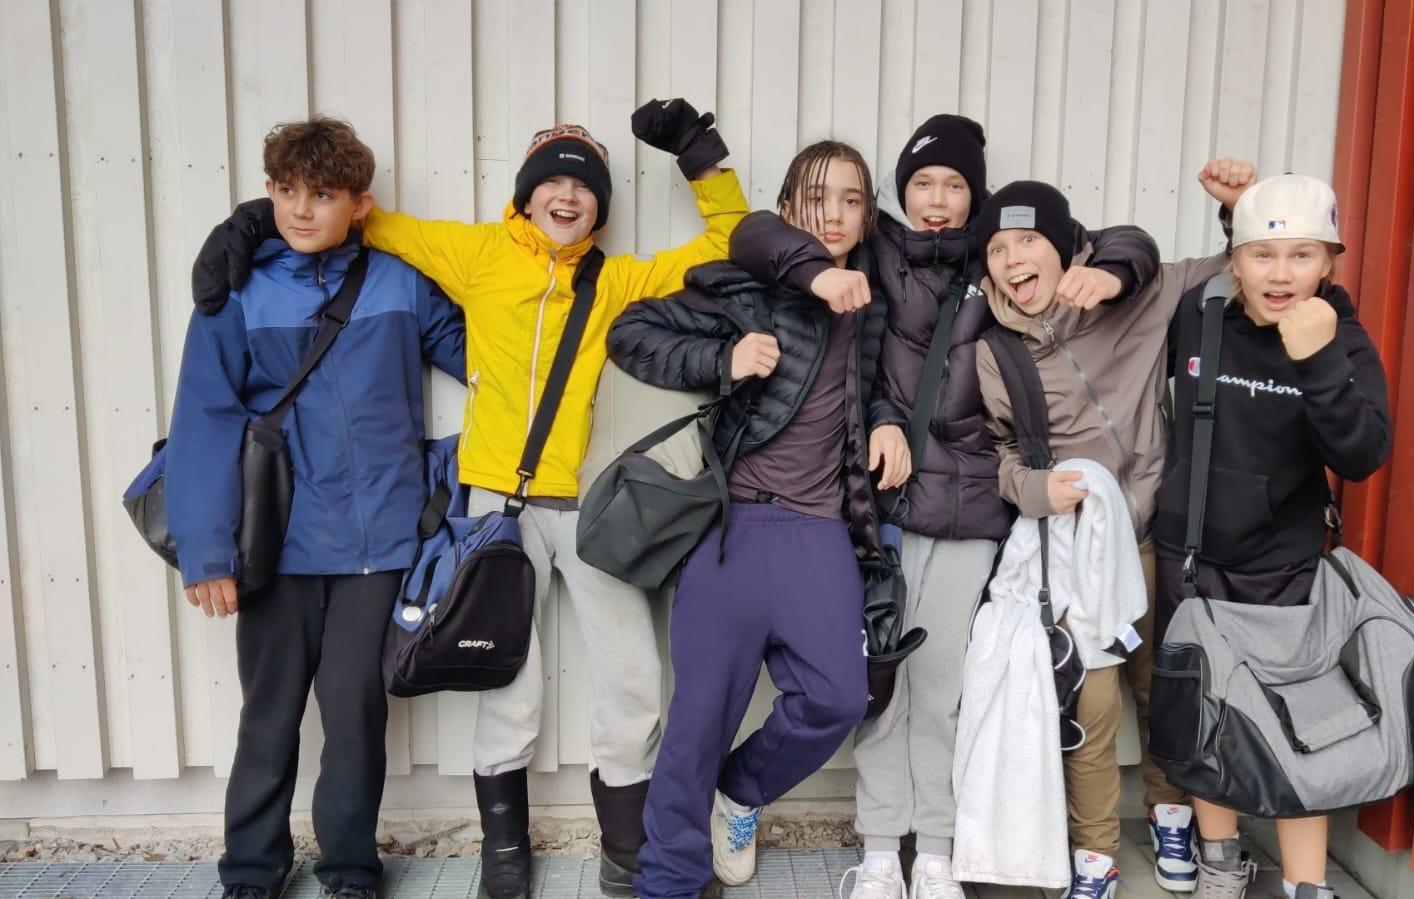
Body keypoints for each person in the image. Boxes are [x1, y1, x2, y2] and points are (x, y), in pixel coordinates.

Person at [192, 99, 748, 899]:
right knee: (504, 679)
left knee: (631, 674)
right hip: (494, 508)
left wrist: (701, 158)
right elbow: (353, 217)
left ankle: (628, 849)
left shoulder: (618, 279)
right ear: (524, 194)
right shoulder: (475, 254)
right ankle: (504, 850)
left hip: (589, 504)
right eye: (550, 181)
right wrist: (245, 224)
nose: (566, 195)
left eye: (583, 186)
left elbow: (728, 245)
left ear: (599, 207)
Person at [726, 115, 1160, 899]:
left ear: (975, 196)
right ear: (899, 194)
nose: (935, 200)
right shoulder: (877, 249)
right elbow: (756, 234)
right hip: (877, 509)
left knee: (943, 691)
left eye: (953, 185)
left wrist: (1111, 272)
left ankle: (934, 851)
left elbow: (1119, 242)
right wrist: (882, 415)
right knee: (880, 690)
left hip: (969, 515)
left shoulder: (999, 255)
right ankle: (878, 852)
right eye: (921, 183)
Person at [167, 117, 466, 899]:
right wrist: (206, 550)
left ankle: (350, 867)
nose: (301, 209)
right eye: (286, 190)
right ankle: (252, 868)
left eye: (323, 194)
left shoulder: (400, 282)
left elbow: (489, 360)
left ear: (360, 204)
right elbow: (204, 418)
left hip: (379, 543)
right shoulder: (235, 292)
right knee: (268, 714)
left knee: (355, 713)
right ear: (268, 193)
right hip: (276, 543)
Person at [606, 140, 908, 899]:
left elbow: (865, 384)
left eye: (850, 200)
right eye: (815, 198)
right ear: (787, 211)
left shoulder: (872, 303)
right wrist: (725, 360)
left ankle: (739, 792)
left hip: (818, 530)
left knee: (838, 697)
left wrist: (885, 420)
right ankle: (669, 880)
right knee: (698, 720)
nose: (832, 215)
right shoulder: (745, 290)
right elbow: (631, 334)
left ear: (868, 216)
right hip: (731, 528)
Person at [971, 165, 1251, 898]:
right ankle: (1094, 852)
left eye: (1027, 242)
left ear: (1065, 247)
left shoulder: (1139, 297)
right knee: (1090, 706)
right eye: (996, 250)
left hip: (1155, 536)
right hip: (1075, 552)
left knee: (1163, 688)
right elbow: (998, 452)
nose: (1011, 261)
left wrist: (1237, 212)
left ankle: (1169, 814)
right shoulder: (997, 351)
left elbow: (1235, 271)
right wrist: (1035, 490)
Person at [1151, 174, 1391, 899]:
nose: (1281, 274)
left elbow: (1362, 454)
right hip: (1189, 557)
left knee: (1299, 722)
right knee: (1203, 716)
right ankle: (1220, 862)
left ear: (1329, 264)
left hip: (1281, 564)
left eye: (1302, 255)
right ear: (1235, 259)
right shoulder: (1200, 313)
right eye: (1263, 255)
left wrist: (1317, 360)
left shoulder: (1340, 339)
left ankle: (1306, 885)